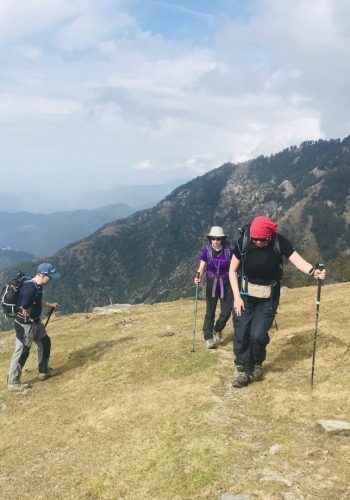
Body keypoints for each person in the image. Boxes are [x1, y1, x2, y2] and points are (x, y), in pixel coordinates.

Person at [229, 216, 326, 388]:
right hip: (244, 296)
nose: (258, 243)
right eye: (255, 239)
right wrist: (236, 297)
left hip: (268, 299)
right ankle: (244, 371)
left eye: (262, 240)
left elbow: (296, 260)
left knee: (258, 335)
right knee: (242, 331)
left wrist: (313, 272)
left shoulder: (278, 242)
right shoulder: (243, 242)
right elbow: (232, 270)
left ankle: (257, 362)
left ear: (269, 236)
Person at [7, 262, 61, 392]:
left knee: (45, 342)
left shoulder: (38, 286)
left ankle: (44, 372)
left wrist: (49, 304)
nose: (51, 279)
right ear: (43, 275)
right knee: (22, 352)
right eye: (50, 276)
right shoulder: (30, 287)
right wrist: (28, 311)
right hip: (25, 325)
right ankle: (13, 382)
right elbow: (25, 304)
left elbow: (35, 301)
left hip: (35, 322)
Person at [195, 226, 233, 349]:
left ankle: (218, 329)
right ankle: (208, 337)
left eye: (218, 239)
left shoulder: (228, 250)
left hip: (226, 283)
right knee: (210, 311)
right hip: (212, 283)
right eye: (213, 238)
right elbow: (202, 267)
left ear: (222, 239)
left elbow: (233, 267)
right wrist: (198, 277)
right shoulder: (207, 251)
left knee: (227, 311)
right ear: (210, 239)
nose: (216, 241)